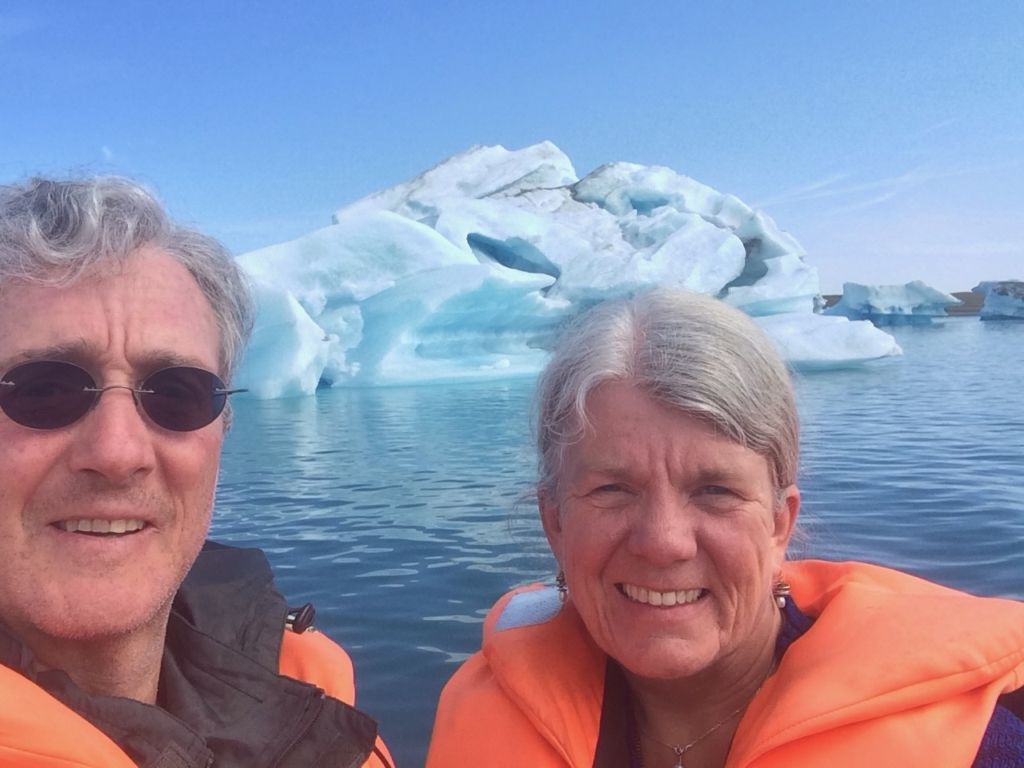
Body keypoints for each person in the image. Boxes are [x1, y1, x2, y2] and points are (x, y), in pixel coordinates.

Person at [426, 288, 1024, 768]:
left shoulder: (981, 750)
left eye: (715, 490)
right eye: (611, 489)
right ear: (554, 523)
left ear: (778, 523)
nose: (663, 542)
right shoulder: (484, 713)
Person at [0, 176, 394, 768]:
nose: (118, 451)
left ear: (222, 429)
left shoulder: (310, 699)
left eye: (177, 392)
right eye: (46, 389)